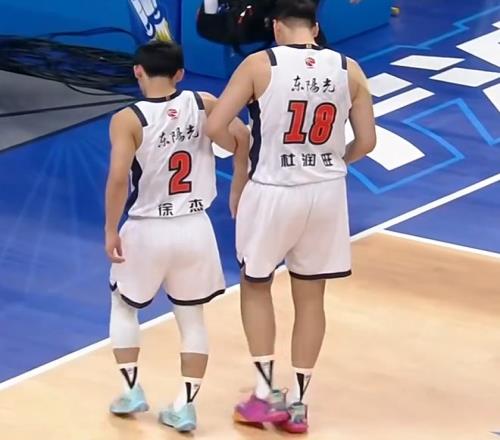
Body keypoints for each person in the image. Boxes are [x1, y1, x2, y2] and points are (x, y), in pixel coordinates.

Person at [206, 0, 376, 433]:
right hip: (326, 194)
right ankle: (299, 405)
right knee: (311, 296)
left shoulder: (258, 64)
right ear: (315, 29)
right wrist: (334, 164)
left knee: (256, 285)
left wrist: (241, 161)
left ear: (277, 28)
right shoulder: (350, 68)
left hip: (273, 190)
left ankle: (265, 395)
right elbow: (367, 141)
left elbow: (215, 126)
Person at [104, 40, 248, 433]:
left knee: (123, 306)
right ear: (180, 74)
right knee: (192, 319)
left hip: (147, 227)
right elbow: (242, 138)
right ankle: (185, 406)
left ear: (137, 71)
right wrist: (238, 179)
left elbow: (118, 179)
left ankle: (130, 390)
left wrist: (110, 228)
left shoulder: (127, 119)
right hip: (195, 227)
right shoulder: (204, 103)